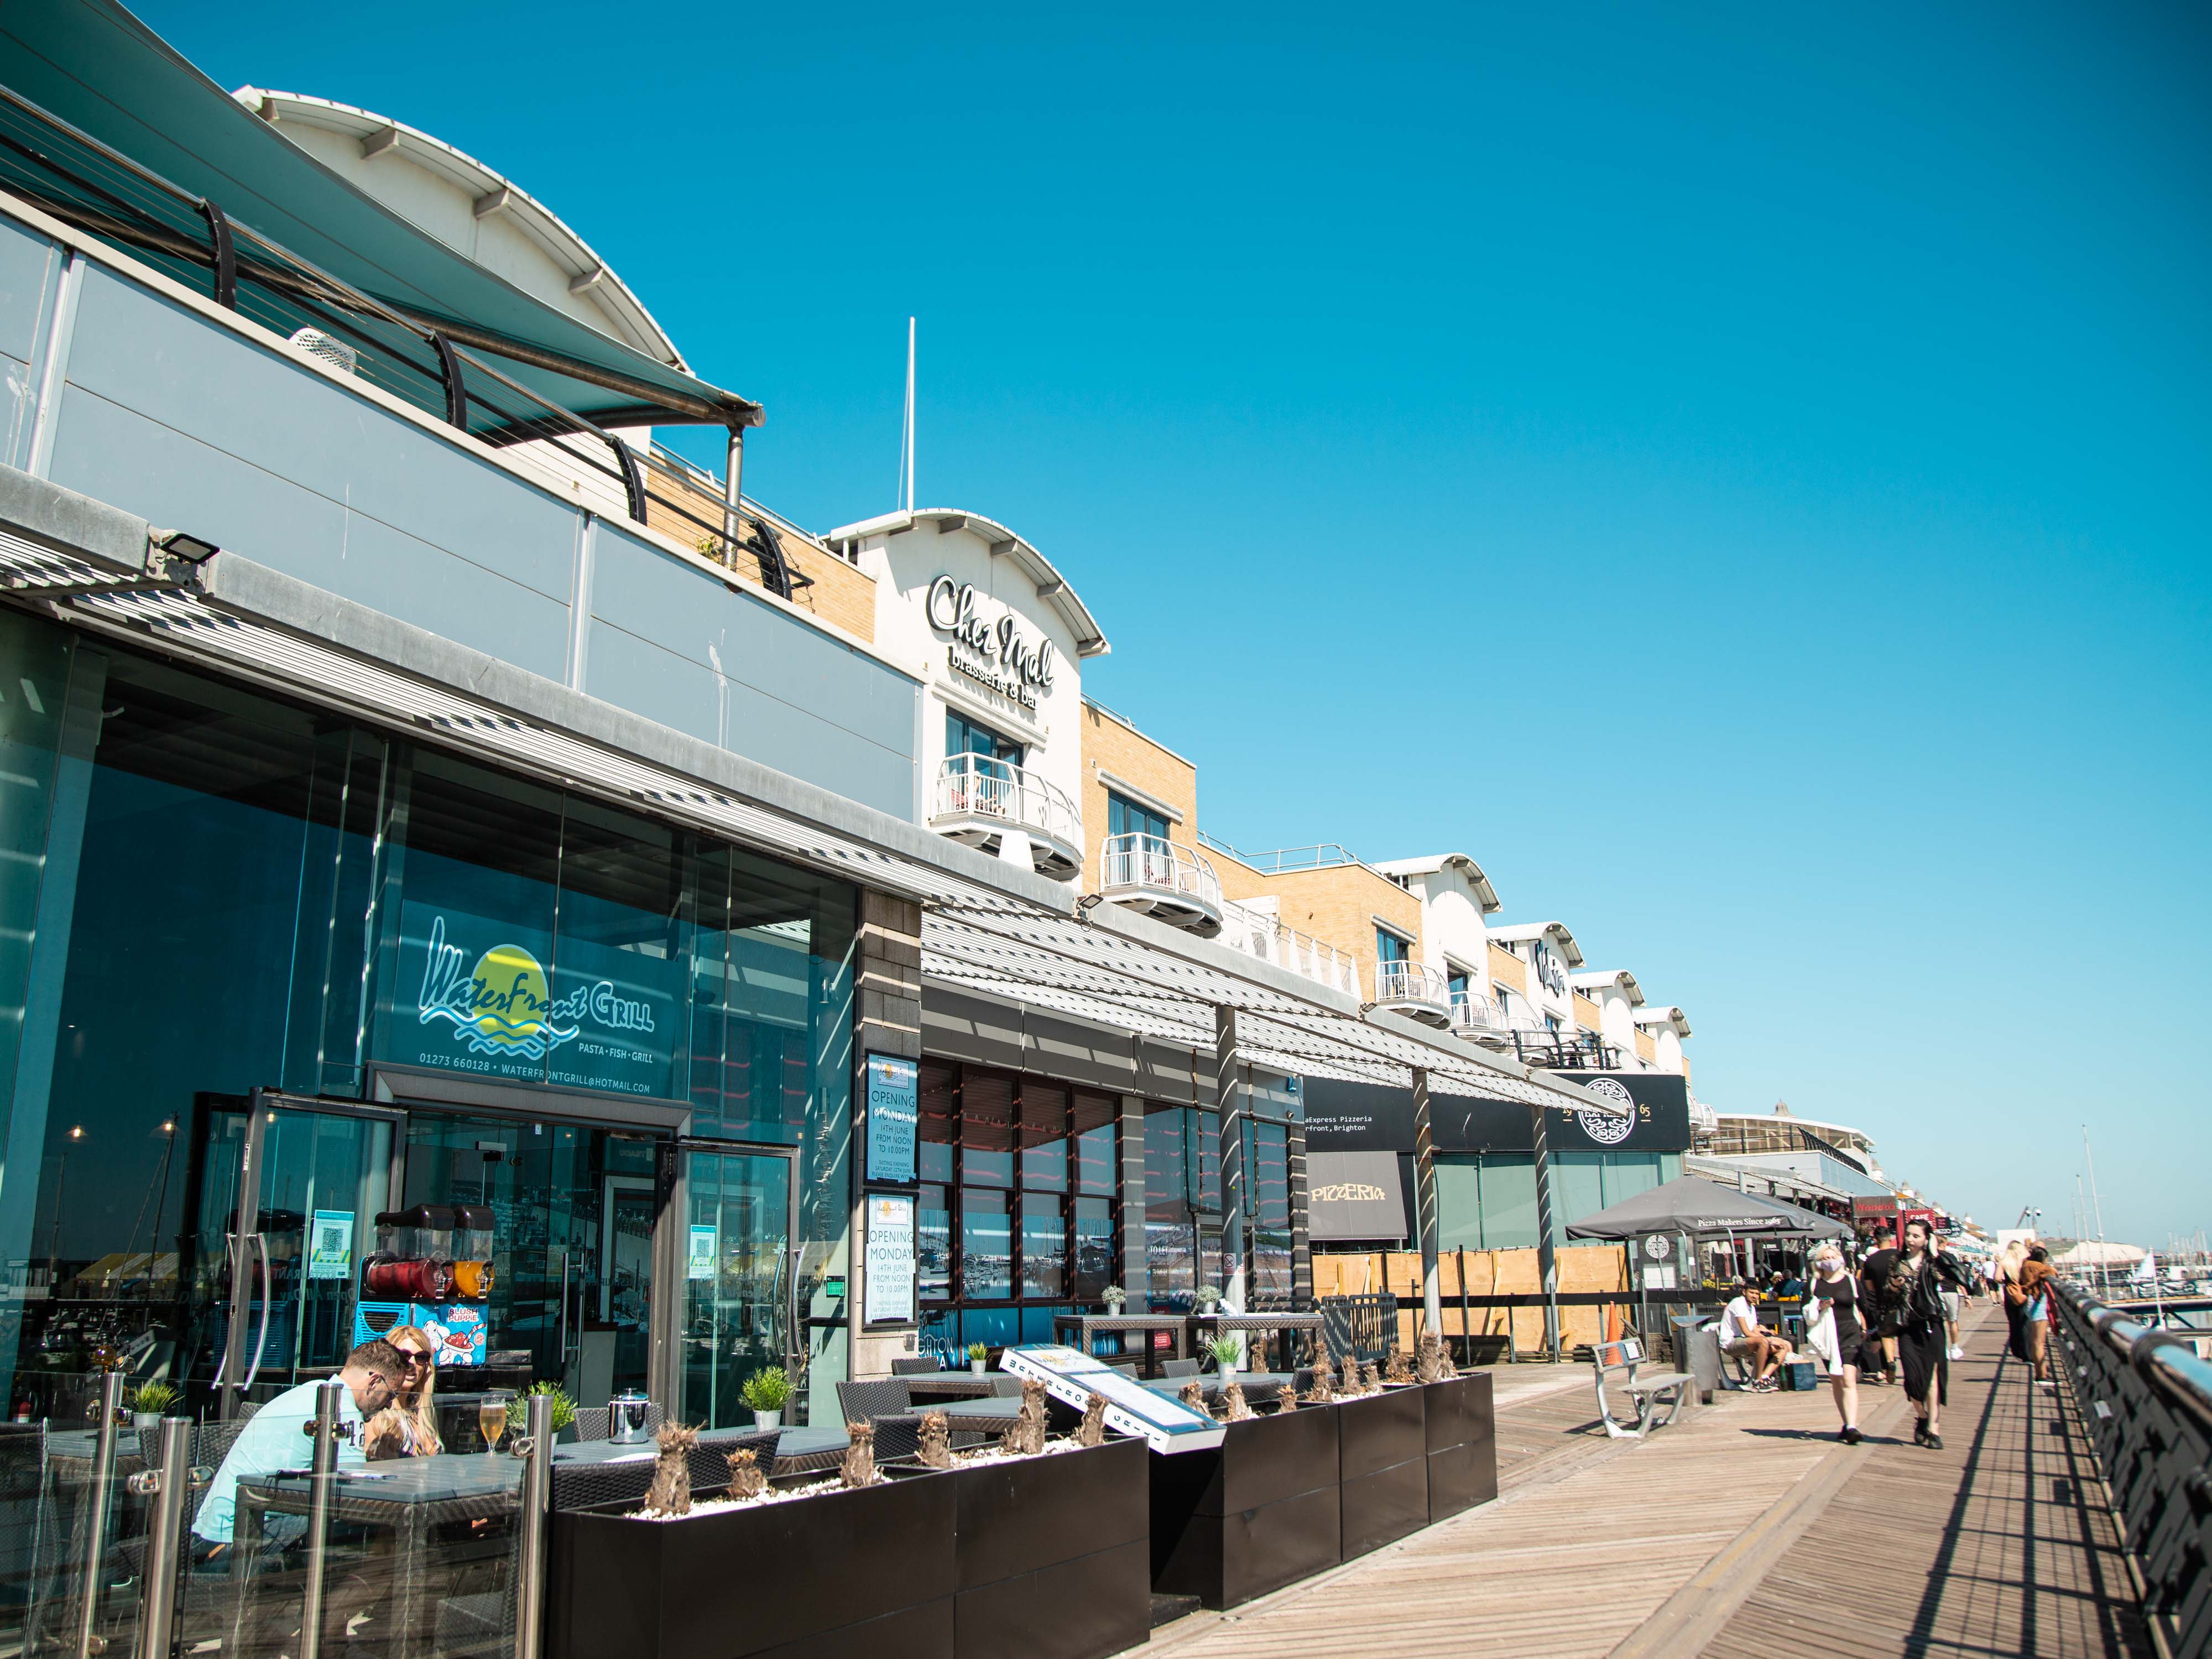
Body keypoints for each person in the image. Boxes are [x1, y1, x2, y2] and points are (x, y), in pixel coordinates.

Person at [192, 1337, 411, 1559]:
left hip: (211, 1533)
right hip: (239, 1539)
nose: (390, 1404)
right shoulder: (339, 1410)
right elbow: (355, 1495)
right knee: (369, 1526)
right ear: (374, 1381)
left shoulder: (312, 1391)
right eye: (391, 1394)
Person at [1875, 1218, 1967, 1449]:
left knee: (1934, 1378)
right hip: (1908, 1326)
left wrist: (1936, 1253)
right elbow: (1886, 1295)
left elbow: (1959, 1276)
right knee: (1914, 1380)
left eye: (1916, 1236)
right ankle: (1923, 1416)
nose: (1910, 1239)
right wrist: (1894, 1287)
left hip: (1932, 1323)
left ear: (1927, 1239)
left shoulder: (1932, 1262)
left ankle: (1935, 1430)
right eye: (1908, 1235)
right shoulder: (1897, 1261)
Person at [1806, 1241, 1874, 1443]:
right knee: (1836, 1380)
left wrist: (1874, 1333)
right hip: (1828, 1336)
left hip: (1850, 1332)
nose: (1829, 1261)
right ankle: (1846, 1423)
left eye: (1832, 1257)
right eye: (1824, 1259)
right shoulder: (1814, 1284)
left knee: (1849, 1378)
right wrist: (1819, 1306)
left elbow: (1866, 1307)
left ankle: (1853, 1426)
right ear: (1818, 1263)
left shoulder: (1851, 1281)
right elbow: (1805, 1311)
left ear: (1840, 1258)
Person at [362, 1324, 444, 1459]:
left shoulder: (423, 1414)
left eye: (421, 1357)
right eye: (404, 1355)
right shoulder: (377, 1416)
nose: (411, 1363)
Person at [1720, 1276, 1794, 1391]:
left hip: (1747, 1342)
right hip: (1731, 1342)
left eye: (1757, 1294)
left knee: (1783, 1347)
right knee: (1764, 1342)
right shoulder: (1738, 1303)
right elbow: (1746, 1331)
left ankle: (1764, 1377)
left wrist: (1773, 1340)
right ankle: (1757, 1381)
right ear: (1744, 1292)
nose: (1755, 1296)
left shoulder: (1752, 1308)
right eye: (1752, 1293)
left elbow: (1755, 1330)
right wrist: (1769, 1340)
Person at [2017, 1244, 2058, 1389]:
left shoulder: (2026, 1265)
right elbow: (2052, 1272)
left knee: (2036, 1342)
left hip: (2031, 1302)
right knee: (2039, 1343)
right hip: (2038, 1303)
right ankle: (2042, 1376)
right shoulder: (2036, 1266)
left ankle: (2041, 1373)